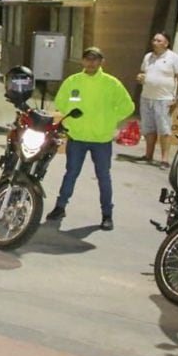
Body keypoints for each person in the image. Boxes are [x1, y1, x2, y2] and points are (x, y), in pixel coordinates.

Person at [46, 47, 135, 231]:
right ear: (82, 61)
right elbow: (61, 103)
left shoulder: (112, 84)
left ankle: (107, 214)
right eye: (88, 59)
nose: (91, 62)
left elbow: (128, 106)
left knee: (103, 177)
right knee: (71, 174)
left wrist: (109, 120)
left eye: (95, 59)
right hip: (77, 138)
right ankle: (60, 207)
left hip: (101, 140)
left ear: (102, 61)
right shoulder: (73, 82)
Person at [137, 32, 178, 168]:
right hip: (146, 97)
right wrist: (141, 77)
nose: (155, 42)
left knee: (164, 130)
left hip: (164, 99)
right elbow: (143, 73)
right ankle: (148, 155)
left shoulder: (173, 58)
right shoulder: (148, 57)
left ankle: (164, 159)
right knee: (148, 128)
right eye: (154, 40)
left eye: (158, 40)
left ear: (166, 43)